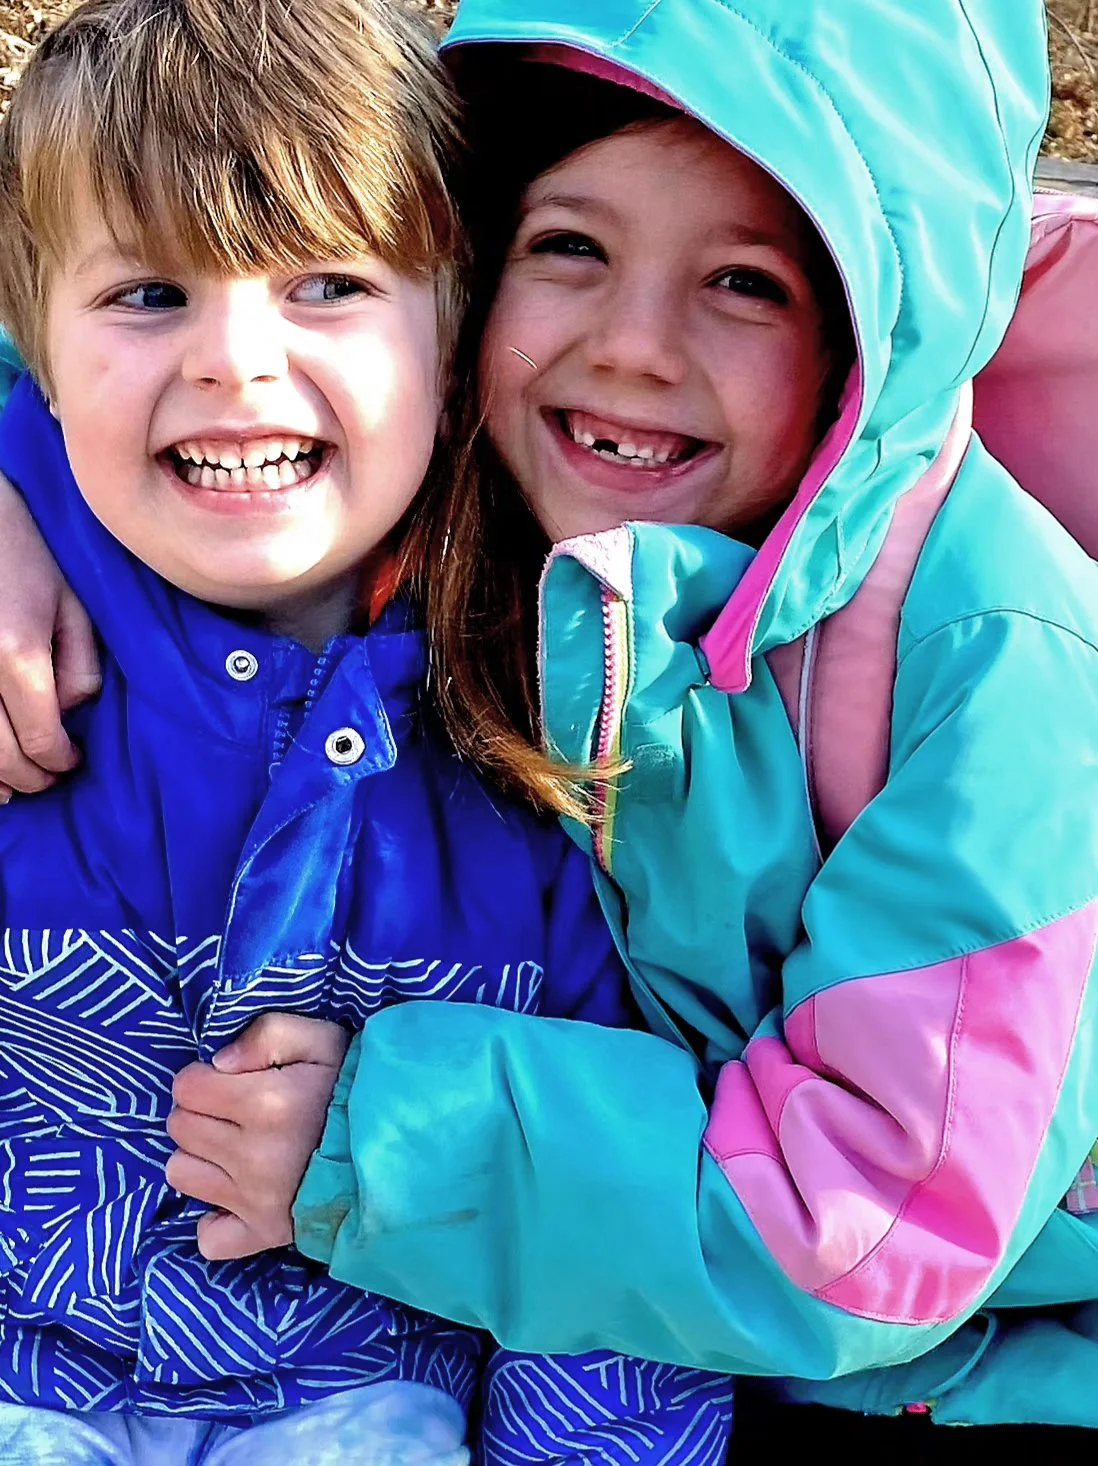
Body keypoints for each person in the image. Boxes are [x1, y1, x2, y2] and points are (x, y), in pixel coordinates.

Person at [5, 0, 1098, 1442]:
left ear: (867, 333)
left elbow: (868, 1231)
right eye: (568, 249)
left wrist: (384, 1141)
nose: (630, 348)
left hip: (911, 1340)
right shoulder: (490, 482)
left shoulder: (999, 669)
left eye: (747, 283)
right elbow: (132, 252)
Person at [0, 0, 736, 1461]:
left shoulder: (558, 701)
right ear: (36, 344)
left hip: (355, 1403)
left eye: (326, 283)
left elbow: (601, 1226)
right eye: (149, 294)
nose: (233, 359)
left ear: (455, 329)